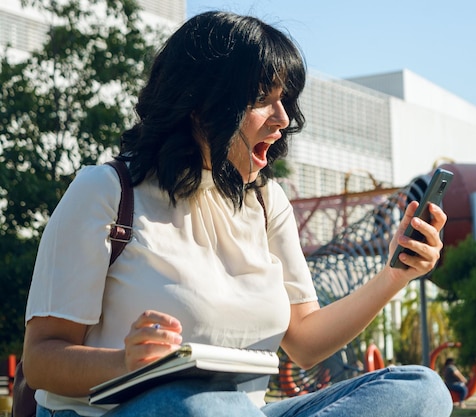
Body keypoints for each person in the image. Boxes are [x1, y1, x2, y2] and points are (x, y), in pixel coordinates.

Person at [21, 10, 453, 417]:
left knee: (421, 391)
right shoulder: (105, 191)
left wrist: (394, 275)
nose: (283, 118)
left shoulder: (267, 203)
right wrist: (124, 361)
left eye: (285, 100)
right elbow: (41, 360)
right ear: (199, 104)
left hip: (241, 412)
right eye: (263, 100)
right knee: (198, 405)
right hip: (127, 410)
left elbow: (304, 342)